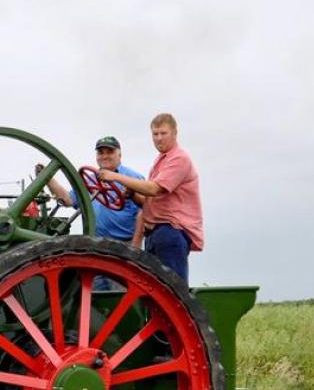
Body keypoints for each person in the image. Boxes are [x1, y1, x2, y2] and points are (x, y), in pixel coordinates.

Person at [98, 113, 203, 283]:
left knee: (173, 290)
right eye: (155, 134)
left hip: (171, 231)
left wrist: (115, 177)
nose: (159, 138)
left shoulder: (179, 159)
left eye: (163, 133)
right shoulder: (161, 161)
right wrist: (133, 195)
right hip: (155, 233)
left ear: (175, 133)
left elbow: (154, 189)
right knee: (156, 290)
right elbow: (151, 202)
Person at [37, 135, 144, 290]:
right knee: (94, 300)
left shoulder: (133, 178)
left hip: (123, 249)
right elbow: (68, 199)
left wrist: (135, 249)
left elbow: (144, 212)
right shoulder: (89, 179)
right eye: (101, 152)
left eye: (110, 151)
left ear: (119, 154)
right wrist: (48, 179)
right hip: (95, 248)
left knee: (120, 297)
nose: (105, 156)